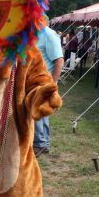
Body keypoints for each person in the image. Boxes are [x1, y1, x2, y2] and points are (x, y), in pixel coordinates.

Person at [34, 25, 64, 156]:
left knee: (40, 110)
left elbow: (59, 60)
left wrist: (53, 82)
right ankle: (40, 142)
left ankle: (41, 144)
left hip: (44, 80)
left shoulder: (48, 35)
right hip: (33, 79)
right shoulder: (31, 33)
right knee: (38, 110)